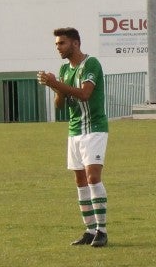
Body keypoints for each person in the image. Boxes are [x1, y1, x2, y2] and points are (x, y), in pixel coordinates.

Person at [37, 27, 110, 248]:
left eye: (62, 43)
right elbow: (60, 105)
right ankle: (89, 229)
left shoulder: (91, 64)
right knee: (80, 181)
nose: (58, 47)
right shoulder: (64, 69)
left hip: (94, 128)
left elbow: (85, 95)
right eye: (57, 44)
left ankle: (102, 230)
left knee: (93, 177)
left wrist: (55, 83)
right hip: (75, 130)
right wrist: (56, 88)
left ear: (75, 43)